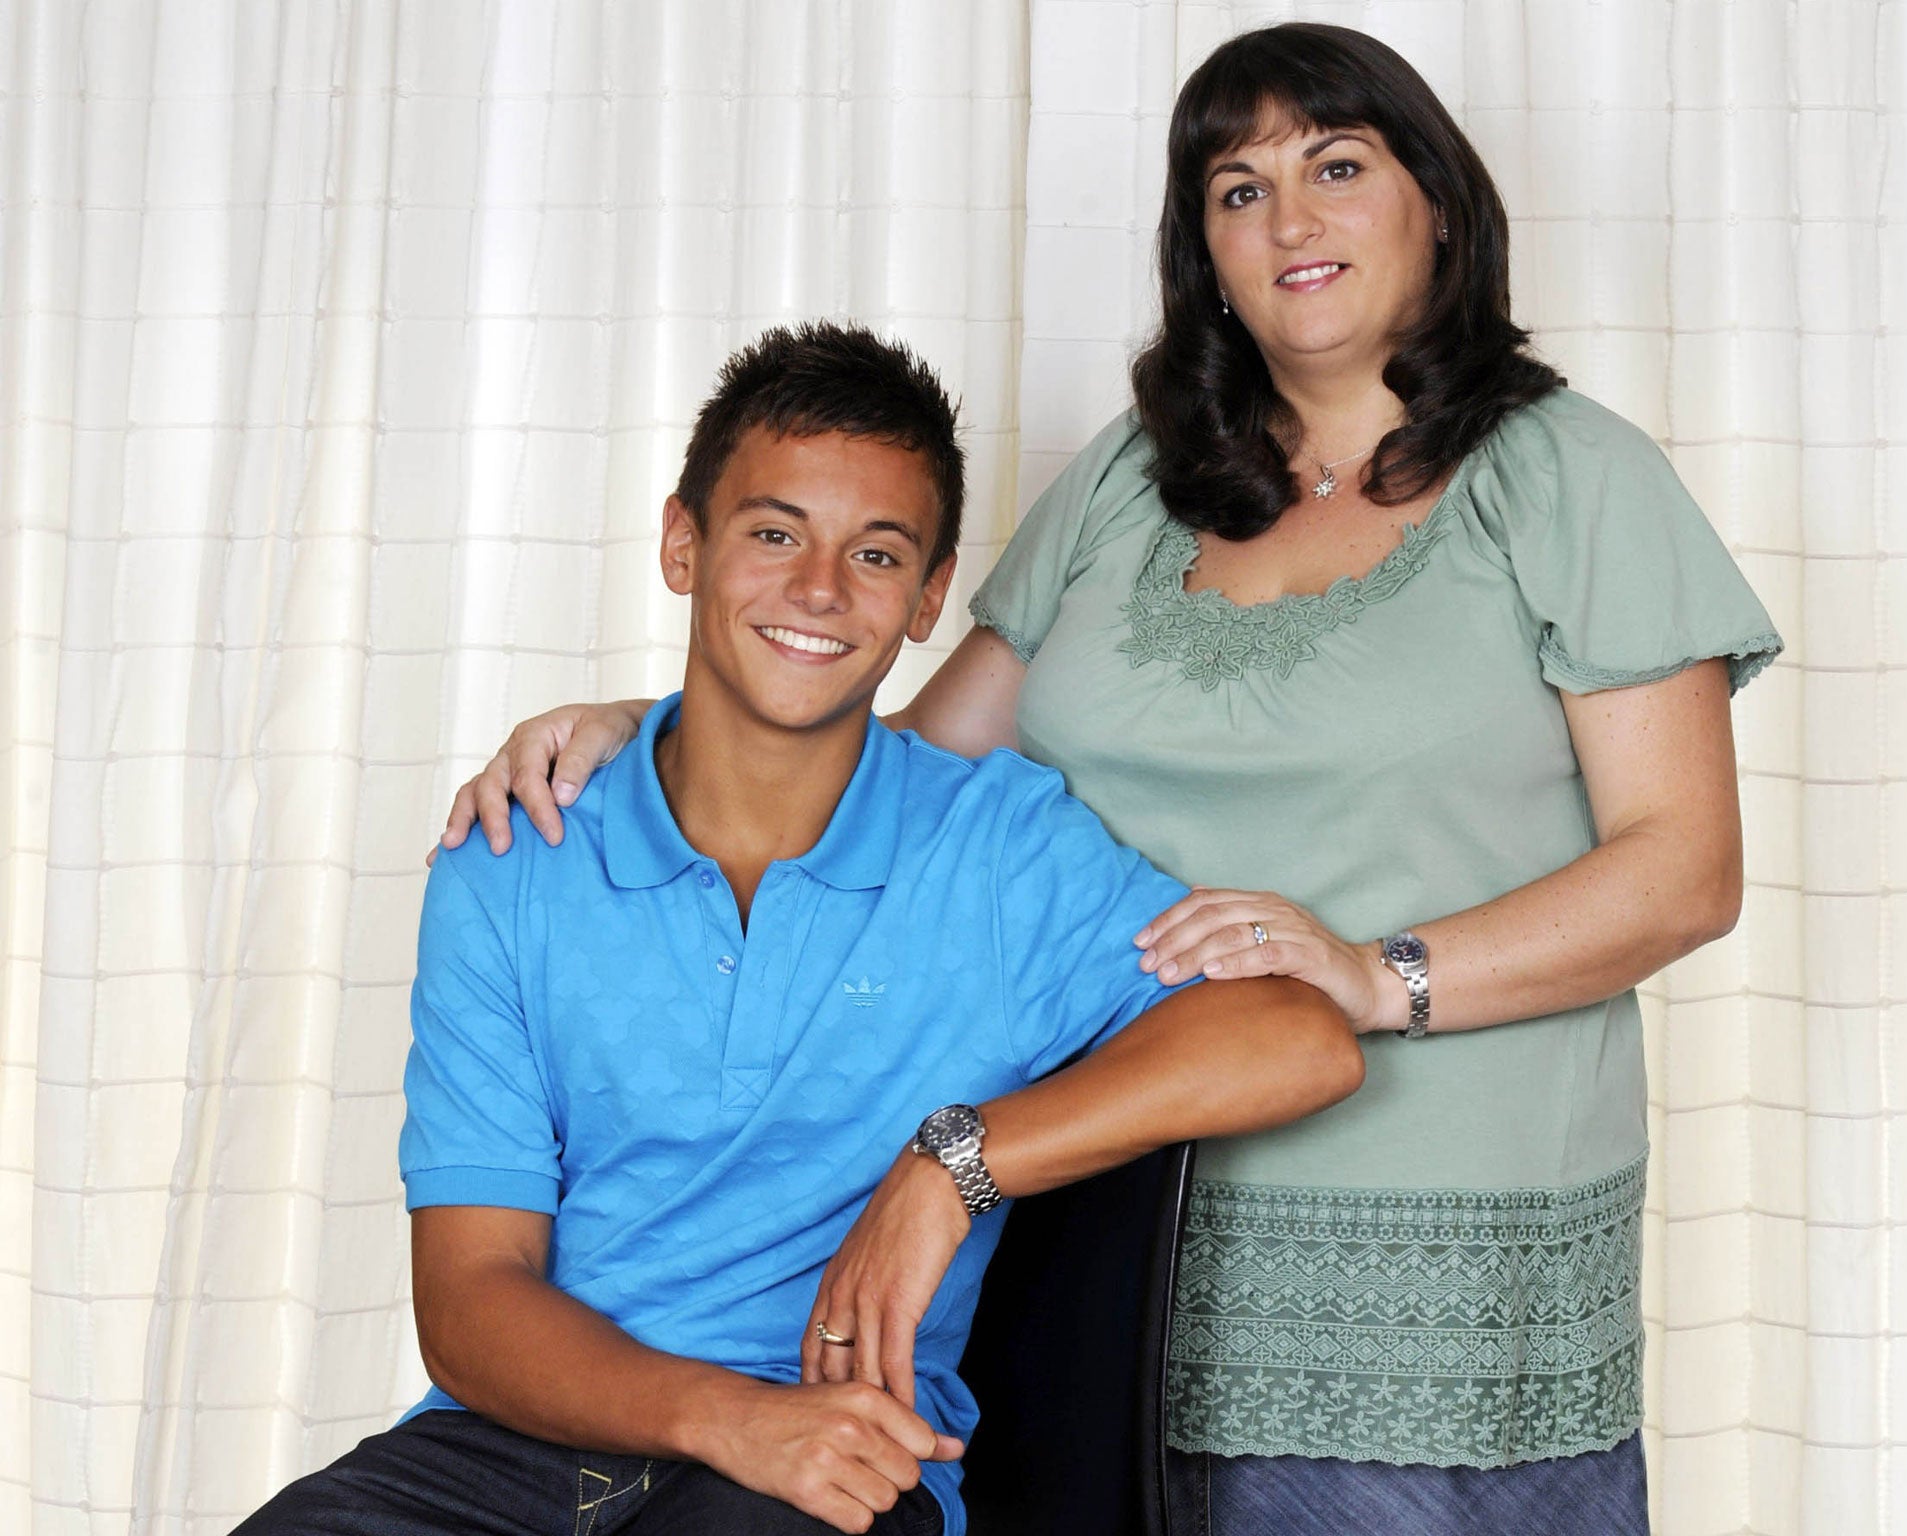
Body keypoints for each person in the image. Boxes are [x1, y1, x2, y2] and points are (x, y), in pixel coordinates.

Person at [444, 24, 1782, 1536]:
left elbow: (1686, 870)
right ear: (1201, 249)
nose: (1290, 218)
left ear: (1443, 210)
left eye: (1337, 167)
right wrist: (657, 717)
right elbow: (907, 765)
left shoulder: (1570, 479)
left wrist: (1369, 973)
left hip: (1434, 1265)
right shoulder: (1131, 484)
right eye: (1237, 186)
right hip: (1091, 1223)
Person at [235, 322, 1364, 1536]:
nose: (818, 591)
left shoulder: (994, 853)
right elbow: (468, 1299)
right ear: (684, 543)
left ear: (930, 596)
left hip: (839, 1460)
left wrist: (952, 1160)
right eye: (773, 534)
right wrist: (723, 1415)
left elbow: (1299, 1037)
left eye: (875, 554)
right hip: (515, 1449)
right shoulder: (517, 854)